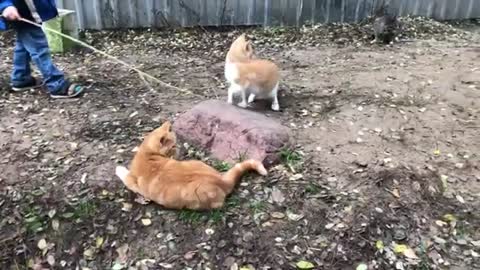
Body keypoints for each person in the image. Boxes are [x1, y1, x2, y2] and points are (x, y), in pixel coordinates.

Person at [0, 0, 83, 98]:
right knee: (39, 48)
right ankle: (56, 85)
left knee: (23, 44)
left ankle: (21, 79)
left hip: (29, 10)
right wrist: (5, 5)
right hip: (21, 11)